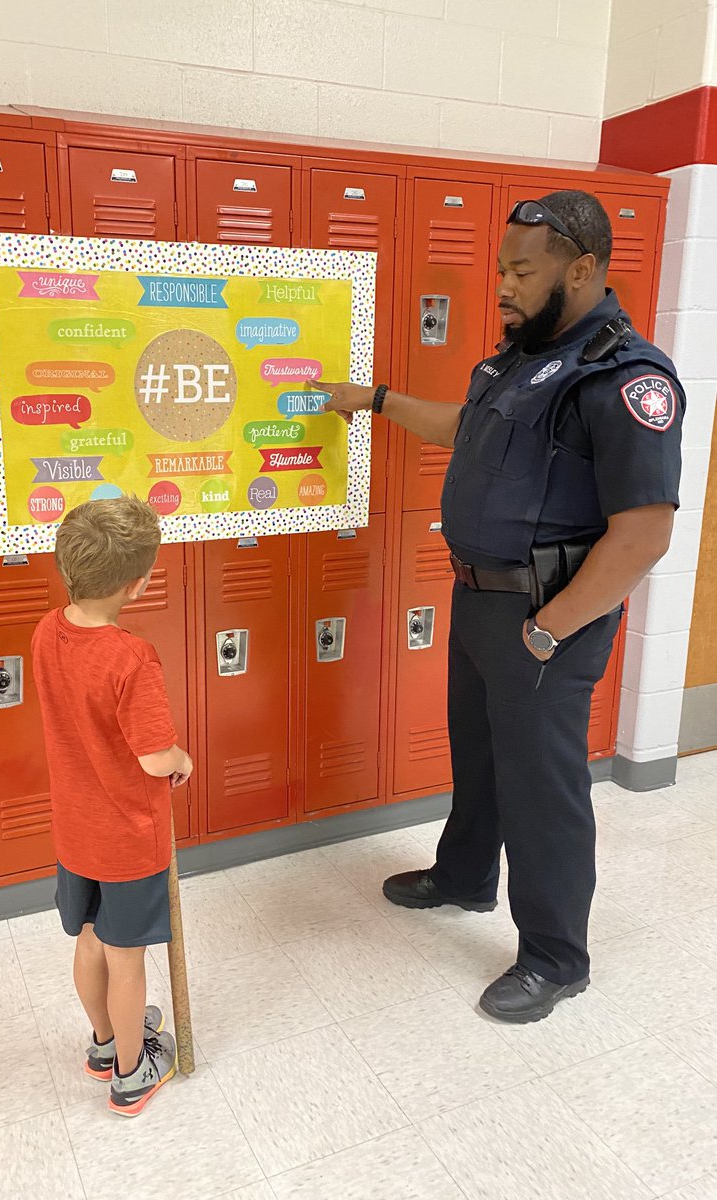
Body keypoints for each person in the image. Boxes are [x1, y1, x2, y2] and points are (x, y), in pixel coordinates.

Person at [315, 190, 684, 1023]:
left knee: (542, 787)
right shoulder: (516, 361)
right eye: (501, 270)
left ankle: (556, 957)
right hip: (482, 600)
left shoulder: (625, 378)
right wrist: (374, 400)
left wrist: (551, 630)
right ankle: (465, 876)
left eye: (522, 271)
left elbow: (644, 533)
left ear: (581, 269)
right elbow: (466, 426)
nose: (504, 287)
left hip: (547, 616)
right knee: (478, 754)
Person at [31, 496, 193, 1113]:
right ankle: (133, 1070)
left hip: (76, 829)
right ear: (138, 582)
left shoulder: (48, 631)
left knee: (92, 939)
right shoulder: (130, 657)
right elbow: (154, 757)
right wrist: (182, 760)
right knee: (129, 959)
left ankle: (104, 1044)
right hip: (129, 834)